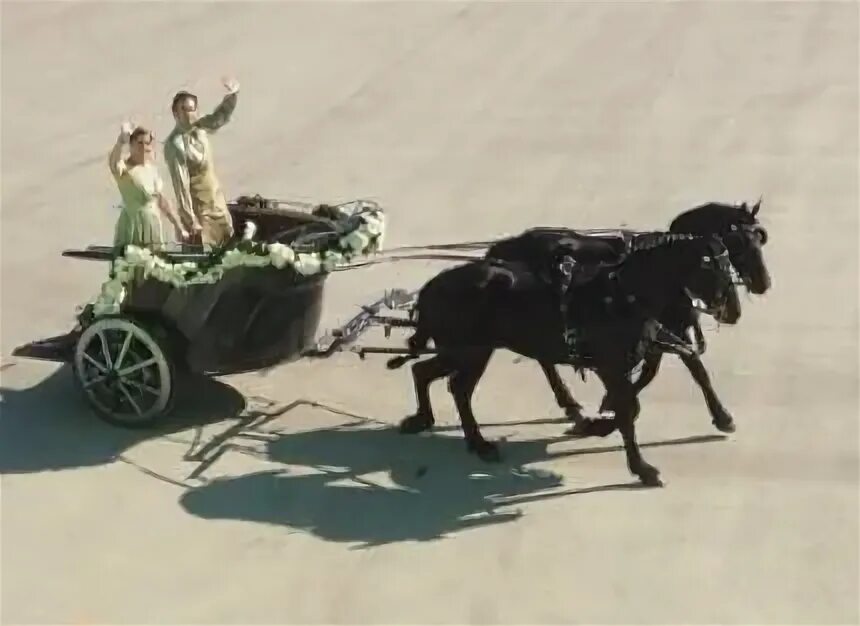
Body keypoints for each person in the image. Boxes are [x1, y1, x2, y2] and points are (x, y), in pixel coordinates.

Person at [163, 77, 240, 247]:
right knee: (206, 254)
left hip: (216, 202)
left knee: (229, 247)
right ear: (175, 113)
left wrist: (232, 95)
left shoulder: (200, 127)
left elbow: (218, 118)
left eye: (192, 109)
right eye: (183, 110)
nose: (189, 114)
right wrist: (190, 220)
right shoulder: (175, 144)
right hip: (200, 210)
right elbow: (180, 185)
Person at [109, 122, 188, 251]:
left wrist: (178, 226)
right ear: (131, 145)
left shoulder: (152, 170)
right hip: (132, 224)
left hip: (152, 224)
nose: (143, 147)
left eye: (147, 143)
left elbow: (162, 201)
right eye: (139, 143)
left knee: (155, 264)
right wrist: (120, 141)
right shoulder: (124, 167)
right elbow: (113, 162)